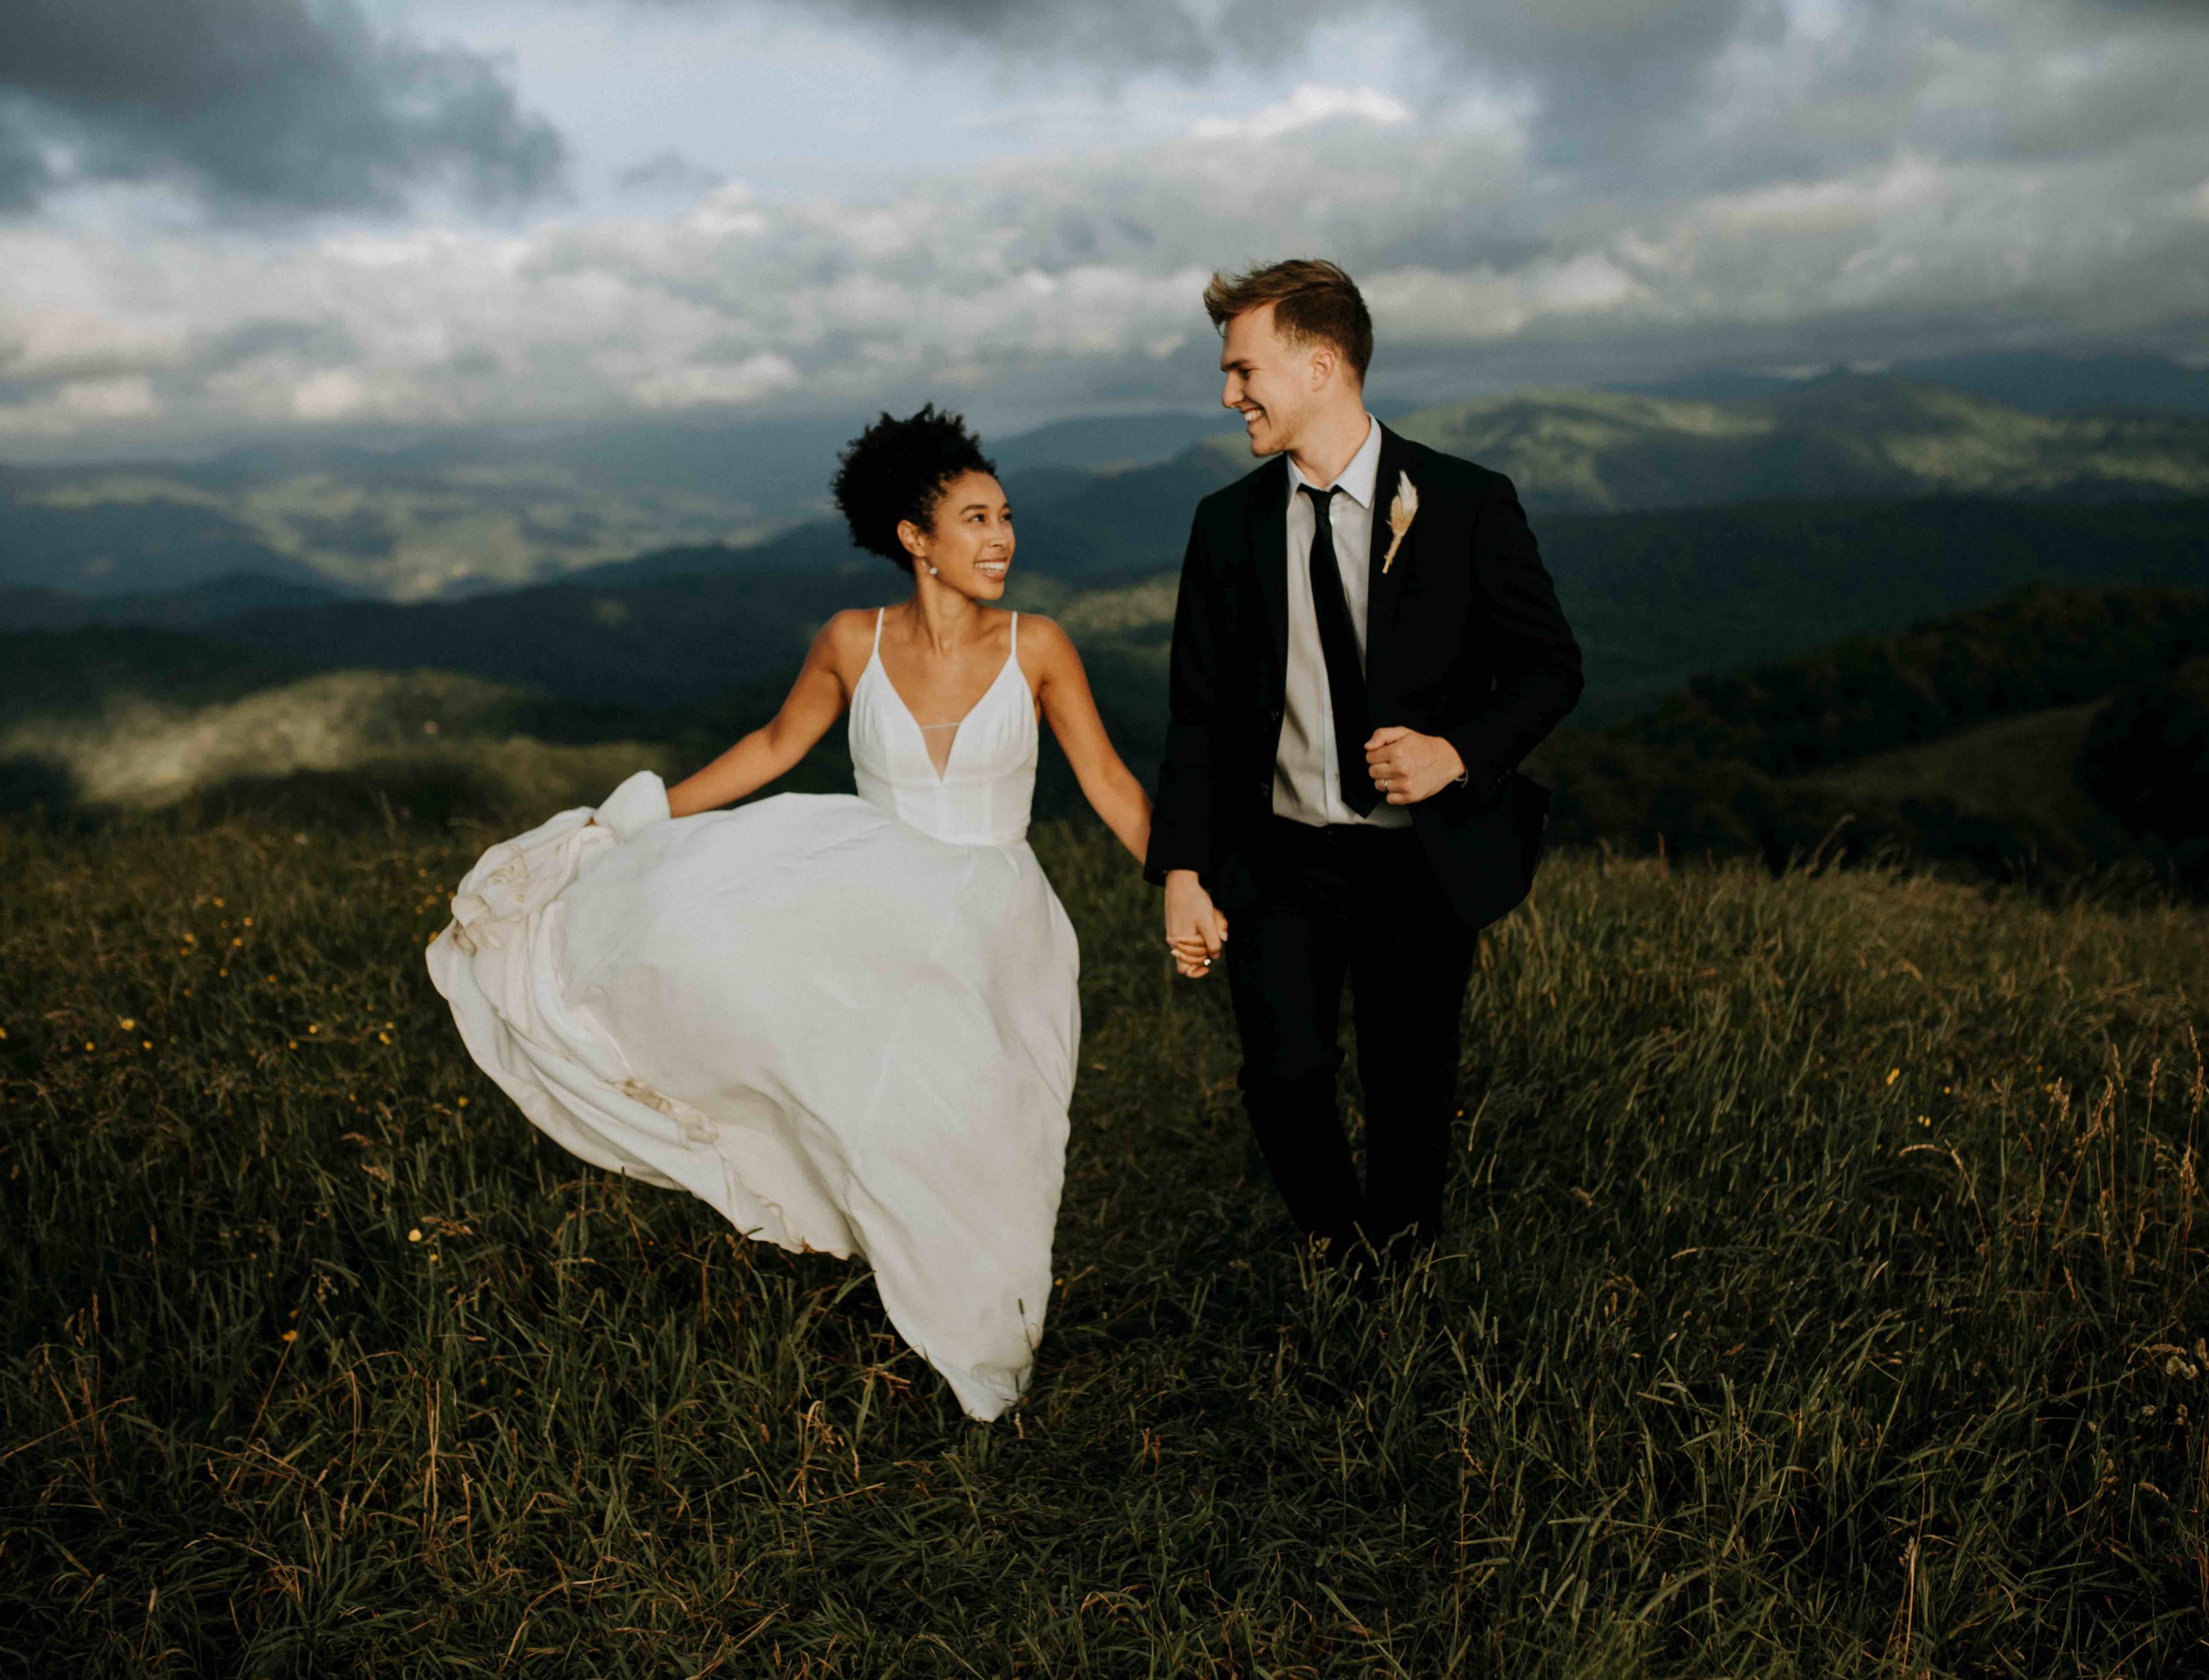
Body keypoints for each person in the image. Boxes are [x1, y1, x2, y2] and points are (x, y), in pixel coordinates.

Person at [427, 405, 1154, 1421]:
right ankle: (950, 1335)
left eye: (1005, 517)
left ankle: (988, 1328)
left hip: (997, 913)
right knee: (878, 1106)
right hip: (870, 893)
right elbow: (773, 748)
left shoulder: (1041, 647)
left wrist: (1194, 882)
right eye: (977, 520)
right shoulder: (853, 642)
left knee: (995, 1124)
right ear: (917, 540)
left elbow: (1114, 785)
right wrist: (629, 820)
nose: (1002, 540)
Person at [1148, 259, 1584, 1278]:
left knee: (1409, 1083)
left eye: (1243, 370)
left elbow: (1551, 666)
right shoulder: (1227, 525)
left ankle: (1406, 1277)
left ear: (1322, 365)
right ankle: (1339, 1257)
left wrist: (1457, 752)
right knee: (1283, 1073)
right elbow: (1198, 716)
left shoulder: (1469, 503)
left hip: (1419, 862)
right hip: (1281, 857)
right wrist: (1183, 871)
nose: (1228, 396)